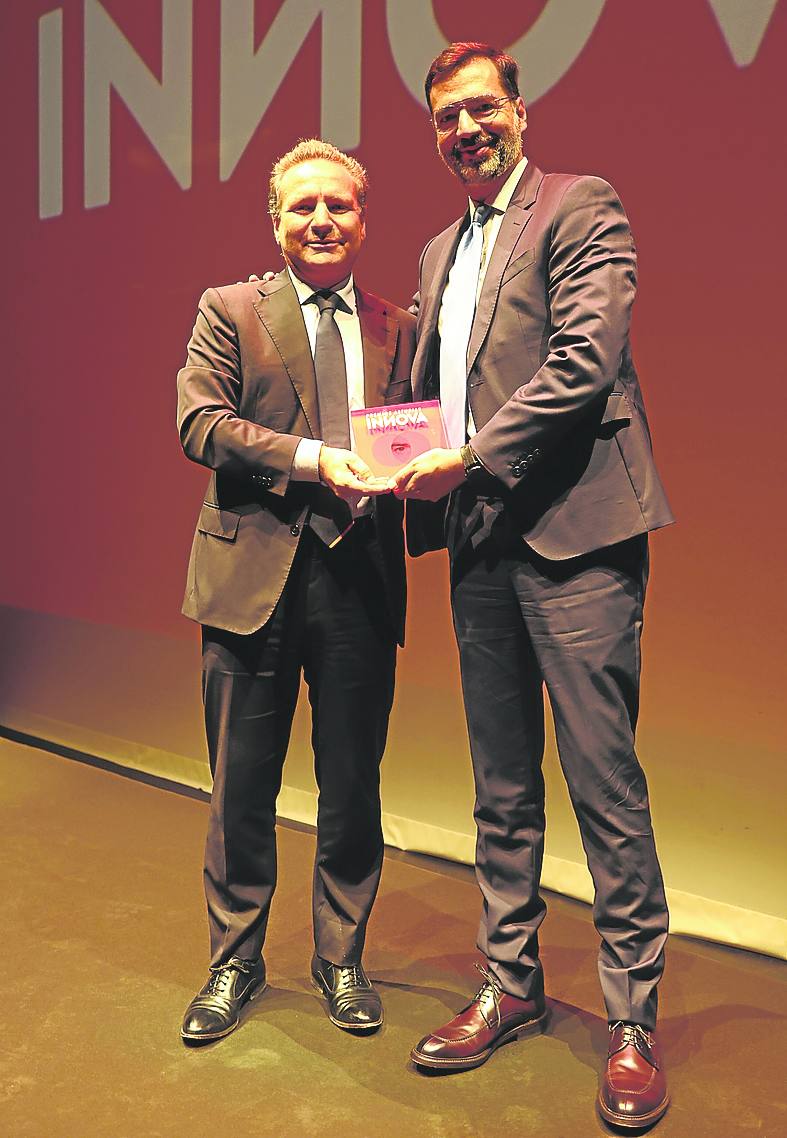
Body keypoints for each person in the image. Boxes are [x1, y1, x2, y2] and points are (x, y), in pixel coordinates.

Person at [389, 43, 673, 1130]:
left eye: (480, 108)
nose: (464, 129)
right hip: (478, 544)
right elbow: (421, 400)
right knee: (500, 786)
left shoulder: (577, 205)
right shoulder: (433, 253)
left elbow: (584, 361)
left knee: (605, 786)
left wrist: (463, 457)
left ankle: (630, 1018)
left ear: (518, 108)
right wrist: (384, 457)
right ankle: (508, 982)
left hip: (576, 538)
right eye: (445, 118)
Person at [176, 139, 415, 1044]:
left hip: (359, 578)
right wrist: (315, 460)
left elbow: (418, 437)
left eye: (338, 206)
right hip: (251, 579)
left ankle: (340, 955)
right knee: (241, 786)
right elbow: (199, 422)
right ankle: (233, 959)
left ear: (363, 218)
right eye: (302, 207)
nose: (320, 221)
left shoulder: (400, 324)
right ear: (275, 222)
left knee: (352, 784)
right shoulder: (230, 310)